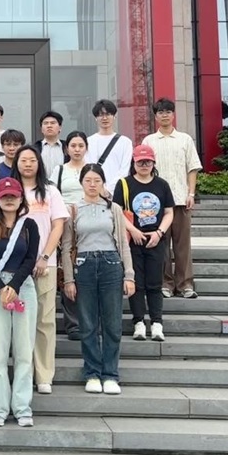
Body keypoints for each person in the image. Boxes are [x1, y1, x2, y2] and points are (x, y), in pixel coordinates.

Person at [62, 164, 135, 394]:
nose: (92, 185)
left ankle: (111, 373)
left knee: (113, 323)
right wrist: (68, 280)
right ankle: (92, 372)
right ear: (81, 183)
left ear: (103, 183)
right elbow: (66, 247)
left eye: (97, 181)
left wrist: (129, 275)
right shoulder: (73, 210)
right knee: (87, 323)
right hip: (83, 265)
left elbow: (123, 243)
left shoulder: (114, 208)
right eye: (88, 180)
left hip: (111, 264)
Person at [0, 177, 40, 427]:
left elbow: (31, 259)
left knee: (24, 351)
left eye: (13, 195)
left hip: (23, 286)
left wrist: (13, 286)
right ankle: (0, 407)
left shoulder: (30, 225)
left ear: (21, 198)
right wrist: (1, 287)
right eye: (5, 196)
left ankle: (22, 407)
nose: (9, 200)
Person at [11, 145, 68, 395]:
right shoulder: (10, 190)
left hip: (45, 264)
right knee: (18, 321)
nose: (27, 164)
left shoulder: (50, 191)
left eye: (32, 160)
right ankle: (22, 374)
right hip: (15, 267)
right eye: (23, 160)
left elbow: (58, 226)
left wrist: (44, 256)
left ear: (39, 163)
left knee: (44, 320)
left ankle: (44, 375)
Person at [142, 98, 202, 299]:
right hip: (156, 204)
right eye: (160, 112)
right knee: (162, 245)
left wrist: (191, 193)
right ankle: (166, 284)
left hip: (181, 200)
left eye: (168, 111)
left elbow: (192, 168)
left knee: (183, 245)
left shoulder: (185, 139)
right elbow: (144, 171)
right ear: (155, 116)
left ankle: (185, 285)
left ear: (173, 114)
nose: (165, 115)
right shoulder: (149, 141)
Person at [115, 145, 176, 341]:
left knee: (155, 283)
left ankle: (157, 323)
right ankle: (139, 322)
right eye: (140, 162)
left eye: (147, 161)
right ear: (133, 163)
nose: (144, 165)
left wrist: (159, 232)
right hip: (133, 240)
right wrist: (133, 230)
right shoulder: (124, 184)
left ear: (153, 163)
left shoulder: (162, 185)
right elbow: (117, 211)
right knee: (136, 283)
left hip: (156, 240)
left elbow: (169, 212)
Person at [51, 131, 88, 341]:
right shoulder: (59, 170)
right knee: (67, 271)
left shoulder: (92, 169)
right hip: (64, 224)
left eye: (80, 145)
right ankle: (73, 323)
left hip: (87, 223)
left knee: (86, 272)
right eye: (73, 145)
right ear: (67, 149)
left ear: (86, 148)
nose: (77, 149)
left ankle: (88, 321)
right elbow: (51, 195)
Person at [86, 99, 133, 185]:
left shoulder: (125, 142)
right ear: (96, 118)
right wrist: (100, 187)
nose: (104, 118)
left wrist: (109, 189)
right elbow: (89, 168)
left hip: (119, 188)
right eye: (101, 115)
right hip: (95, 188)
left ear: (114, 116)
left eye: (108, 114)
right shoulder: (88, 142)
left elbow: (125, 170)